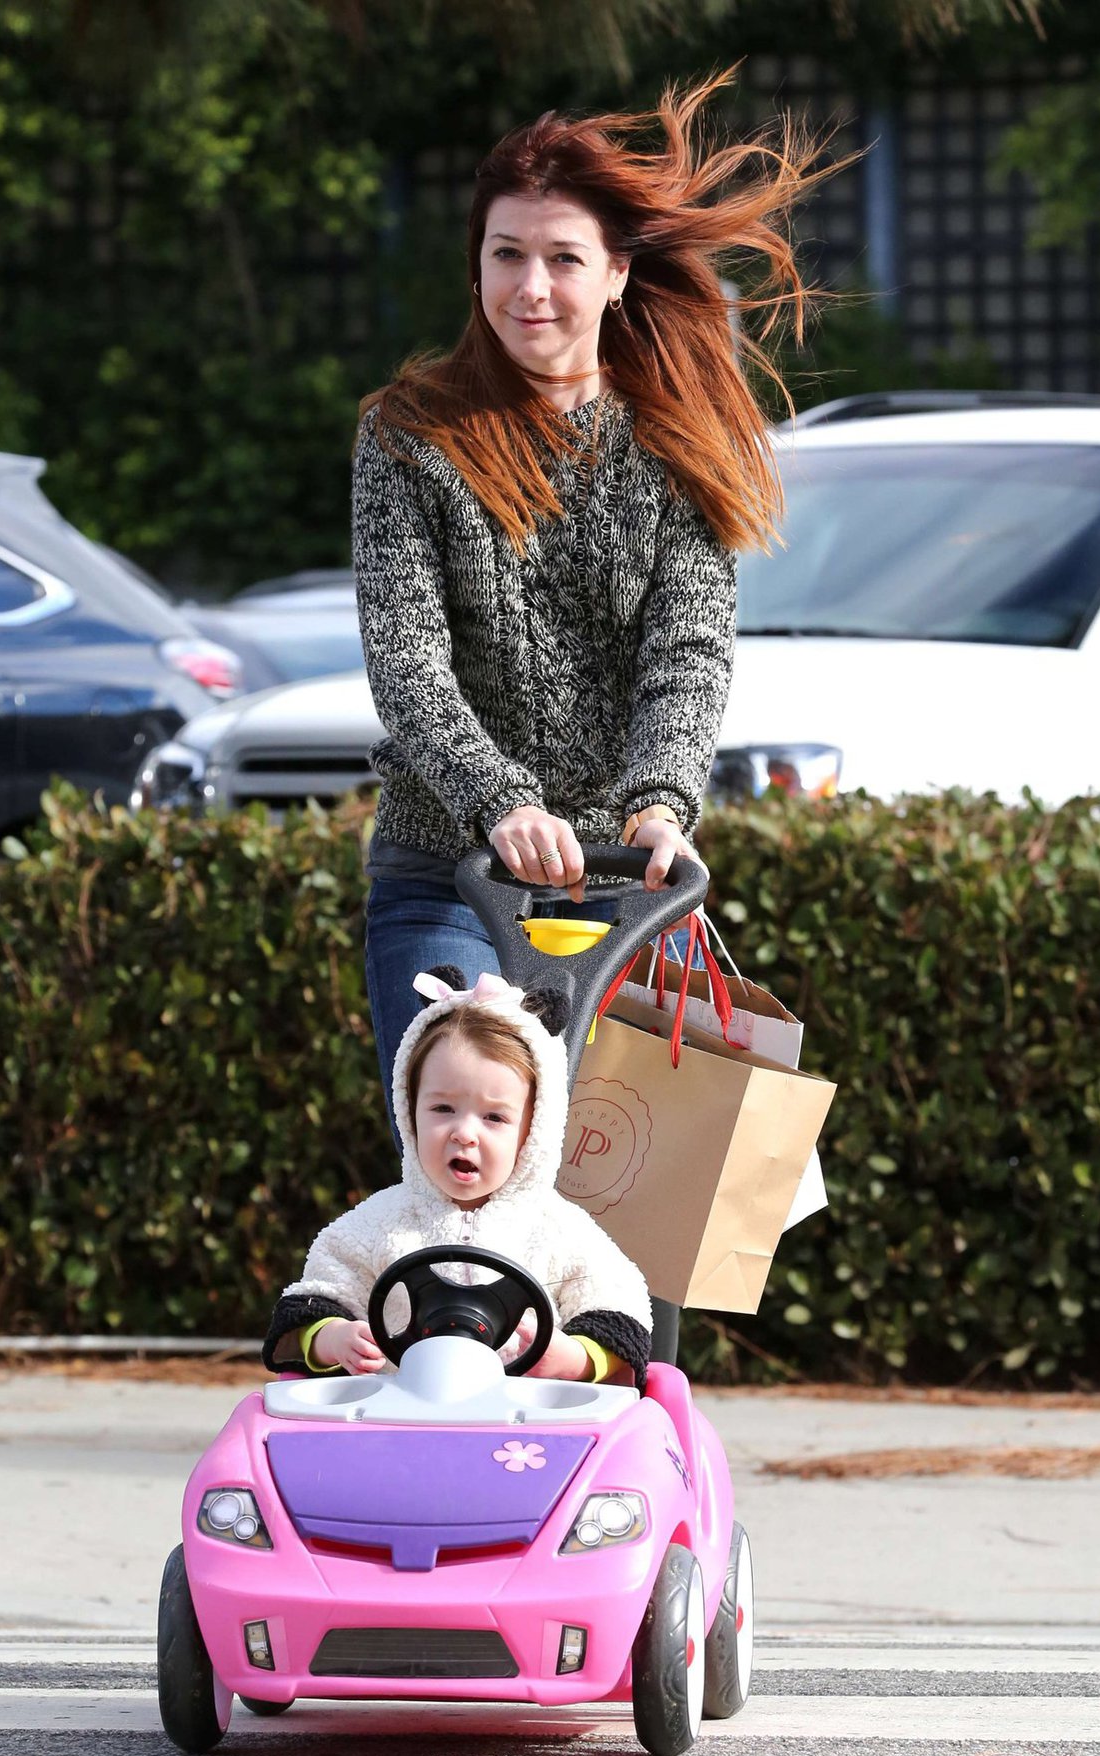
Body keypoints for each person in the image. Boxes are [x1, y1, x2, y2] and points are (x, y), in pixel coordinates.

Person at [353, 69, 834, 1131]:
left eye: (563, 259)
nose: (532, 287)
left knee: (627, 1211)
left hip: (624, 890)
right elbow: (405, 658)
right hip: (451, 874)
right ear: (475, 265)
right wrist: (500, 801)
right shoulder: (408, 435)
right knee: (465, 1166)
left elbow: (691, 653)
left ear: (616, 274)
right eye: (506, 255)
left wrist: (660, 801)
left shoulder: (677, 439)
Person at [262, 967, 652, 1386]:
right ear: (409, 1110)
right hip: (396, 1422)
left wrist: (577, 1359)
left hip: (531, 1433)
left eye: (494, 1117)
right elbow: (311, 1303)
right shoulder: (378, 1225)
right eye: (443, 1109)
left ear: (533, 1130)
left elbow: (620, 1314)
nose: (464, 1133)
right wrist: (332, 1338)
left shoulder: (560, 1231)